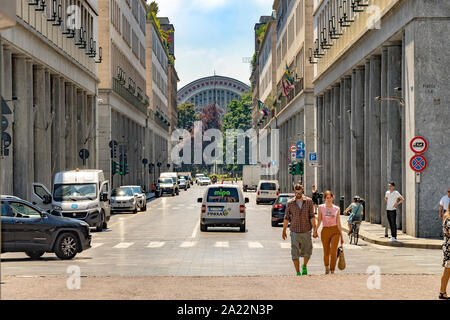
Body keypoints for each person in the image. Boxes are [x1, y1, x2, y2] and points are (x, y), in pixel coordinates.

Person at [282, 184, 317, 276]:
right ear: (294, 192)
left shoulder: (309, 202)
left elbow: (312, 216)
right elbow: (286, 218)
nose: (298, 194)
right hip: (294, 231)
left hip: (306, 230)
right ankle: (298, 272)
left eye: (300, 192)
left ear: (302, 190)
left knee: (308, 251)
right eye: (297, 193)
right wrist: (284, 230)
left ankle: (304, 266)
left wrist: (315, 229)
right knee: (295, 252)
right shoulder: (290, 203)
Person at [315, 190, 344, 274]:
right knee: (326, 251)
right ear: (324, 198)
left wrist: (341, 236)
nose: (329, 199)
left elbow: (338, 222)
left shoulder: (337, 208)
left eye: (330, 197)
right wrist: (315, 230)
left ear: (333, 198)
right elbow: (319, 220)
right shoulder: (321, 207)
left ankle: (332, 270)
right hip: (325, 230)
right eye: (327, 198)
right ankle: (327, 267)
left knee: (333, 251)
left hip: (335, 230)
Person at [439, 202, 450, 300]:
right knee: (447, 269)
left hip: (447, 246)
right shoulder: (449, 219)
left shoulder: (447, 216)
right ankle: (442, 292)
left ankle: (442, 291)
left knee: (447, 269)